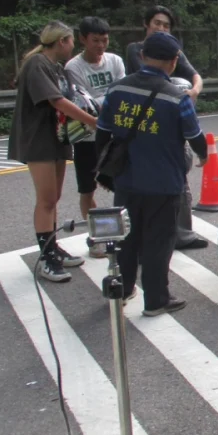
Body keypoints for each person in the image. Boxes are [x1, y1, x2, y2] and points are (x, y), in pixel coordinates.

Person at [97, 32, 209, 316]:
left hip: (127, 179)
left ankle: (123, 289)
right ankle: (156, 300)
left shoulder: (116, 90)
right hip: (164, 182)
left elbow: (103, 132)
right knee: (159, 241)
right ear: (174, 61)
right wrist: (204, 155)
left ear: (143, 56)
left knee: (127, 237)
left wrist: (105, 167)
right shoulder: (177, 97)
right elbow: (194, 135)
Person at [8, 21, 99, 281]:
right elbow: (57, 101)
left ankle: (53, 247)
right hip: (38, 140)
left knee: (54, 197)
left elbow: (72, 97)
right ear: (62, 41)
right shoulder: (37, 64)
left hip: (57, 137)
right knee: (46, 199)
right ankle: (46, 258)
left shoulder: (57, 67)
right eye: (71, 41)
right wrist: (93, 121)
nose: (72, 47)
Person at [125, 5, 208, 250]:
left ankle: (183, 234)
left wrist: (193, 92)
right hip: (145, 122)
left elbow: (195, 75)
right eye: (157, 23)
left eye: (166, 25)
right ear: (146, 24)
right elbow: (149, 77)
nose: (161, 28)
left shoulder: (175, 52)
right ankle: (145, 237)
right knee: (146, 182)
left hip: (170, 123)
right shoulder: (136, 50)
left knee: (180, 178)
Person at [64, 16, 127, 258]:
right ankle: (96, 238)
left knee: (124, 184)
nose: (101, 46)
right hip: (87, 138)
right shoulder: (73, 67)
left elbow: (122, 94)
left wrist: (103, 102)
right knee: (87, 189)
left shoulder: (115, 61)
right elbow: (84, 104)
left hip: (116, 135)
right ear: (83, 39)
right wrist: (107, 100)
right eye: (95, 40)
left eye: (105, 40)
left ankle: (125, 233)